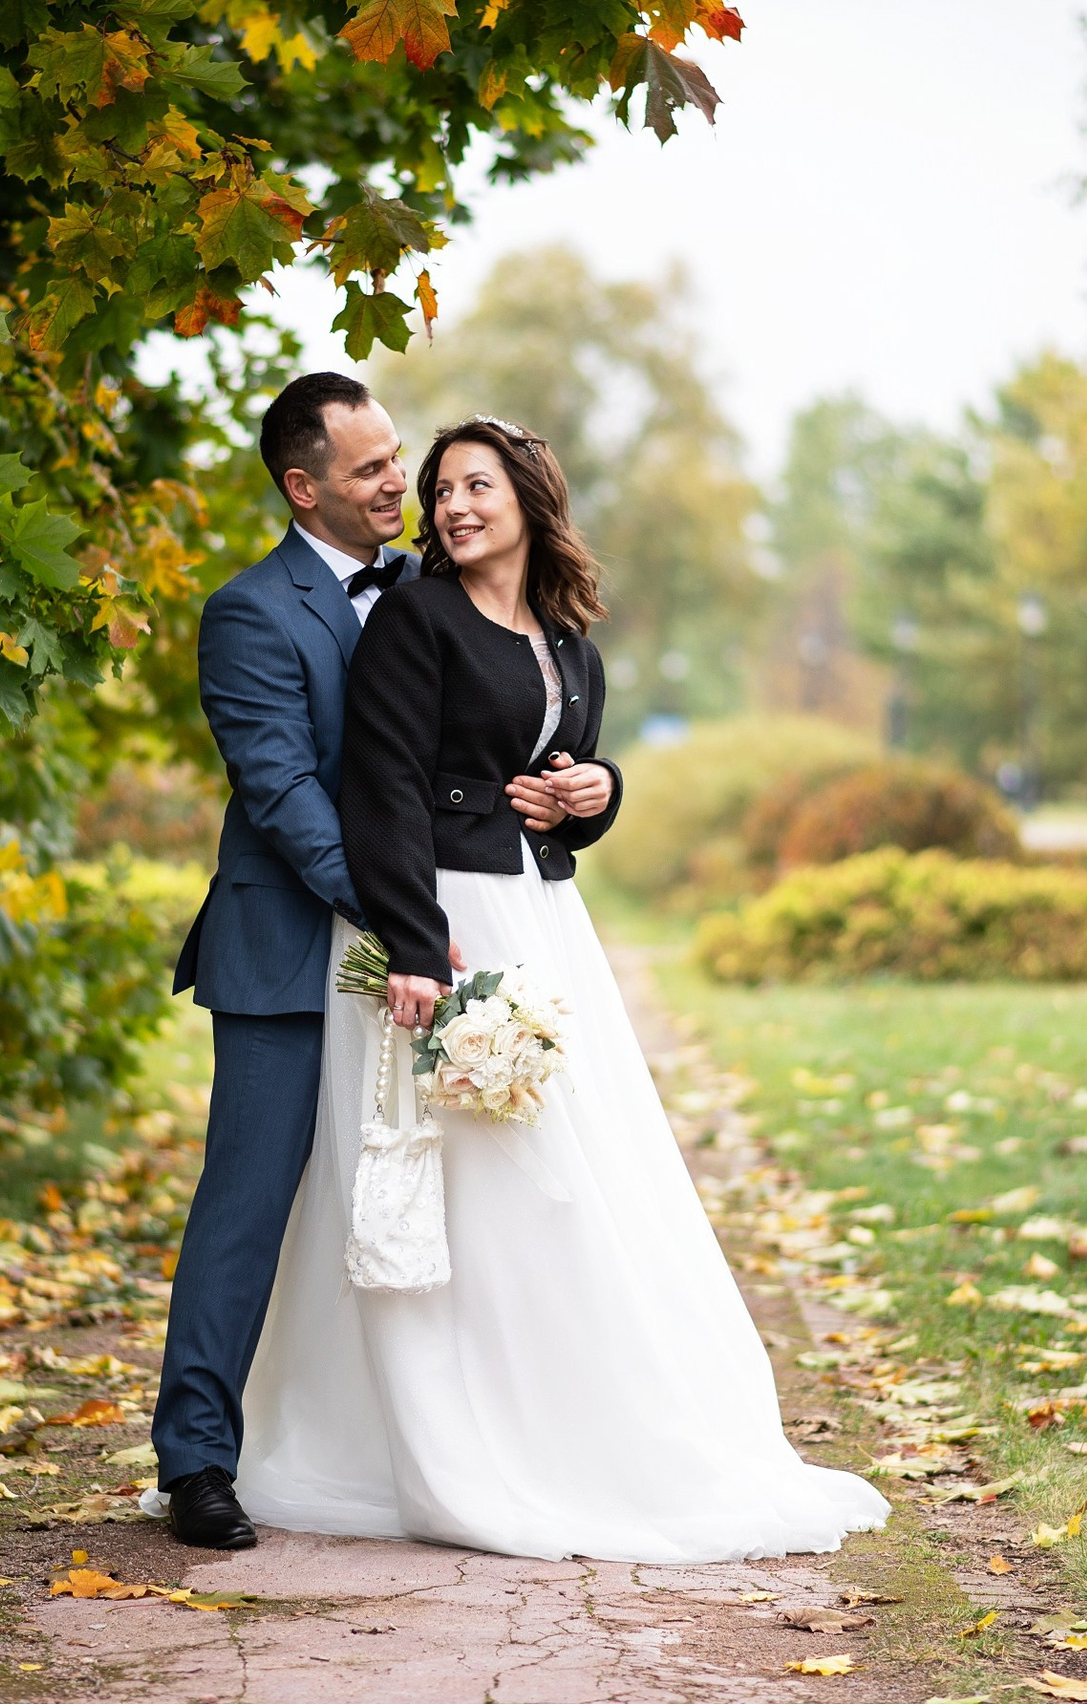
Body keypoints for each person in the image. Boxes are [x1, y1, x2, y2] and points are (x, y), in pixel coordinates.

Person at [231, 416, 889, 1562]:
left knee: (575, 1171)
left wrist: (598, 785)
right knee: (479, 1183)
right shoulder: (415, 620)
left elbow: (569, 765)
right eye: (439, 491)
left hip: (543, 921)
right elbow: (384, 789)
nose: (451, 507)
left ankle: (589, 1426)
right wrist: (419, 954)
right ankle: (459, 1439)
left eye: (474, 485)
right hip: (445, 926)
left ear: (530, 497)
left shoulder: (566, 636)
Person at [151, 372, 426, 1550]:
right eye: (369, 470)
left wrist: (591, 789)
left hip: (411, 949)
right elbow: (281, 789)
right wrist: (394, 912)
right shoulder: (248, 612)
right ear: (302, 486)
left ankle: (417, 1446)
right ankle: (196, 1462)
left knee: (426, 1198)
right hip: (283, 948)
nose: (396, 484)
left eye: (398, 457)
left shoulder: (434, 590)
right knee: (247, 1207)